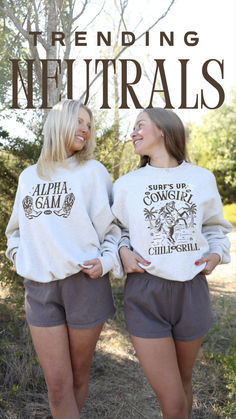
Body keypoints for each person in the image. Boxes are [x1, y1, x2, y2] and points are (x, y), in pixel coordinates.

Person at [112, 107, 232, 419]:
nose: (133, 132)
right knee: (173, 400)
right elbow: (116, 231)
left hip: (191, 290)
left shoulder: (201, 178)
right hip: (145, 292)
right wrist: (124, 252)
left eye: (140, 125)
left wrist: (216, 254)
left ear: (164, 129)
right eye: (133, 127)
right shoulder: (126, 184)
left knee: (184, 381)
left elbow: (215, 227)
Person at [5, 99, 121, 419]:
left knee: (78, 377)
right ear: (59, 124)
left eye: (89, 124)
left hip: (84, 283)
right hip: (40, 289)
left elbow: (112, 230)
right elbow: (14, 231)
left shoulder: (93, 172)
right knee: (57, 386)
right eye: (79, 121)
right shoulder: (30, 176)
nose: (85, 128)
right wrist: (17, 255)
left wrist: (106, 262)